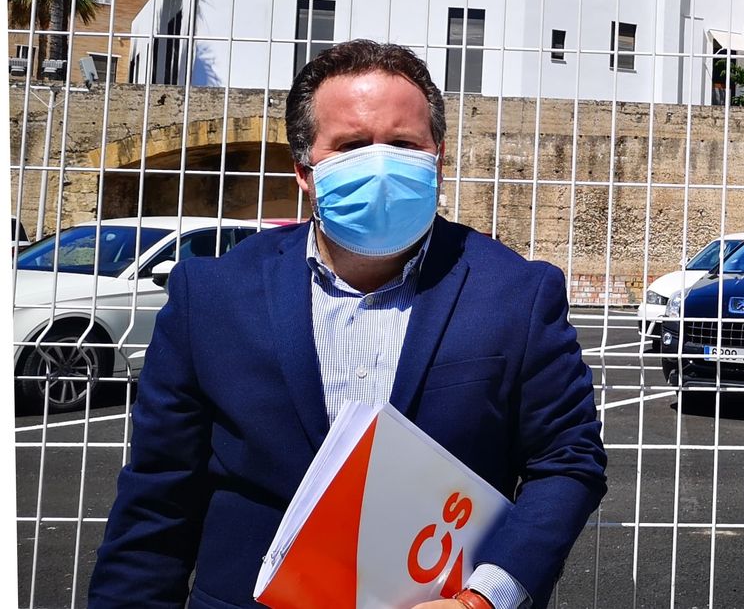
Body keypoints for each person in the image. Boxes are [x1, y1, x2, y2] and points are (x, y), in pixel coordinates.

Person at [90, 40, 607, 609]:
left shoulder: (516, 293)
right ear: (305, 172)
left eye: (404, 144)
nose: (381, 164)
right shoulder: (211, 297)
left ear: (438, 161)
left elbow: (567, 460)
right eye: (353, 146)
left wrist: (485, 598)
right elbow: (158, 500)